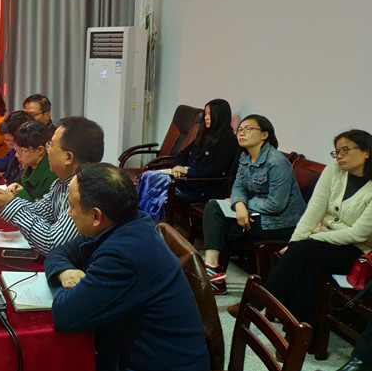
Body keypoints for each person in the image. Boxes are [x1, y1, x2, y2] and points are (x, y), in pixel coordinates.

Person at [45, 162, 210, 371]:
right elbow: (59, 252)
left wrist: (72, 290)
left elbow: (65, 316)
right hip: (132, 350)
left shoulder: (123, 254)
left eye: (72, 206)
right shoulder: (123, 222)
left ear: (96, 216)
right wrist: (64, 272)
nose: (69, 213)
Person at [258, 129, 372, 325]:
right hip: (326, 242)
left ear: (366, 152)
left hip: (357, 252)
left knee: (304, 251)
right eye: (337, 152)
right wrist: (294, 243)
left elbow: (358, 234)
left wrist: (308, 240)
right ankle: (301, 329)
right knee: (309, 266)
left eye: (345, 150)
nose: (339, 156)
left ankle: (259, 300)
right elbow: (313, 212)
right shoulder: (333, 171)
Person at [202, 114, 305, 294]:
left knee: (220, 225)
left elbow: (276, 204)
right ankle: (212, 268)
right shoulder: (245, 158)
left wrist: (245, 205)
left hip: (281, 222)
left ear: (264, 135)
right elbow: (238, 187)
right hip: (258, 214)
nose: (242, 133)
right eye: (240, 130)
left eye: (248, 129)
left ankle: (213, 277)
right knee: (213, 207)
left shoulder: (277, 162)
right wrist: (239, 205)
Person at [0, 117, 103, 255]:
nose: (47, 150)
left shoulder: (84, 191)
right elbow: (40, 211)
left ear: (68, 157)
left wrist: (10, 205)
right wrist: (3, 201)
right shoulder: (62, 182)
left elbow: (53, 244)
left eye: (51, 145)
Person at [137, 99, 238, 220]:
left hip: (199, 186)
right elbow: (183, 153)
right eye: (205, 114)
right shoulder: (205, 134)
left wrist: (188, 171)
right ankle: (142, 217)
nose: (206, 117)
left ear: (221, 116)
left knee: (150, 178)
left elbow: (216, 170)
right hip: (183, 179)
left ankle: (147, 219)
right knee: (147, 176)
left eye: (210, 114)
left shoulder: (229, 141)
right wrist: (177, 166)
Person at [7, 120, 57, 202]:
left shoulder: (51, 174)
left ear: (40, 150)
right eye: (16, 149)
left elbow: (41, 208)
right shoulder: (32, 164)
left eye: (20, 151)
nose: (16, 155)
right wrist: (18, 188)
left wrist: (21, 193)